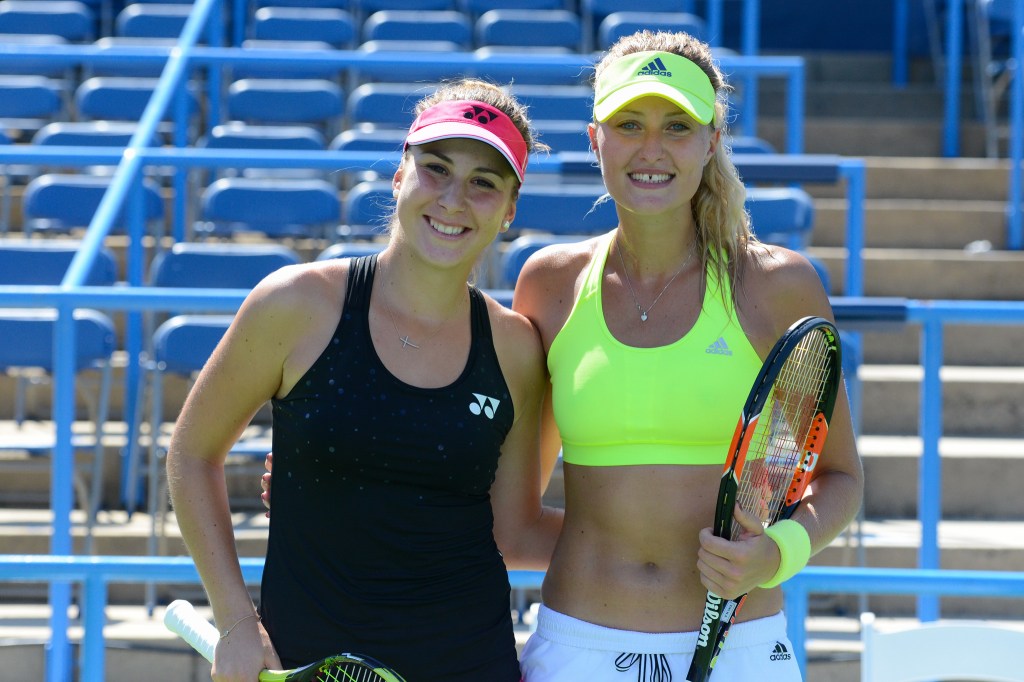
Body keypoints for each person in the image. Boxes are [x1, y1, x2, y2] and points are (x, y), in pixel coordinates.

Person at [166, 78, 562, 682]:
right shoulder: (296, 304)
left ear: (510, 210)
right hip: (307, 661)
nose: (454, 199)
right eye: (436, 169)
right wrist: (237, 621)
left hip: (471, 662)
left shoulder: (515, 348)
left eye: (484, 183)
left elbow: (514, 529)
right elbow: (192, 454)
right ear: (400, 175)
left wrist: (661, 544)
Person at [510, 31, 864, 681]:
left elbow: (841, 478)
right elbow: (513, 517)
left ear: (711, 142)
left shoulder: (777, 284)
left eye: (678, 125)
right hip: (576, 645)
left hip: (743, 649)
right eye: (629, 124)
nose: (652, 149)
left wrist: (775, 553)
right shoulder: (549, 285)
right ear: (596, 140)